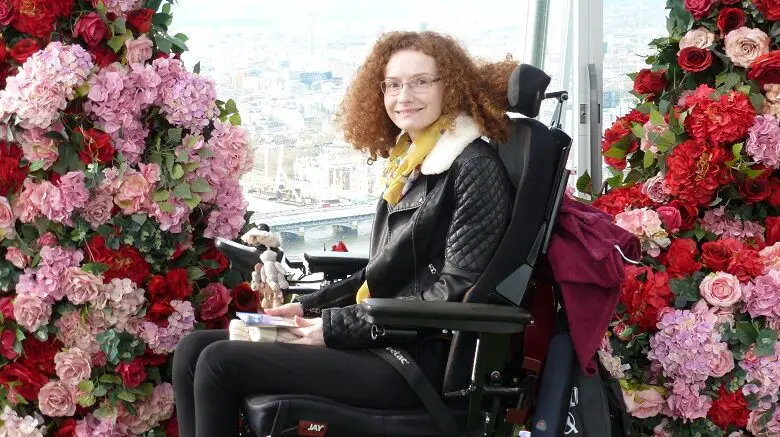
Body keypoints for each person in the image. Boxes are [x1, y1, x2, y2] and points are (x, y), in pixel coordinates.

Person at [172, 31, 516, 437]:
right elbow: (380, 273)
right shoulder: (416, 162)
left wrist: (336, 328)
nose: (404, 95)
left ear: (451, 87)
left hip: (418, 355)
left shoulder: (472, 166)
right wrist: (309, 308)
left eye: (421, 81)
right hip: (388, 333)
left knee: (220, 362)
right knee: (192, 351)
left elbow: (456, 289)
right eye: (393, 84)